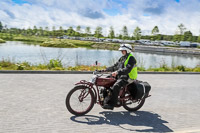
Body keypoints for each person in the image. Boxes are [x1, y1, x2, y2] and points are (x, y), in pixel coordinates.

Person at [103, 43, 137, 110]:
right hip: (122, 75)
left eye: (123, 50)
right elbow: (115, 66)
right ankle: (106, 99)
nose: (121, 52)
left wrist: (117, 72)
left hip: (129, 77)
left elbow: (127, 69)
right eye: (121, 50)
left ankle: (112, 104)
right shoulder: (122, 58)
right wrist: (105, 70)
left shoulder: (131, 58)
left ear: (127, 50)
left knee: (116, 86)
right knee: (106, 80)